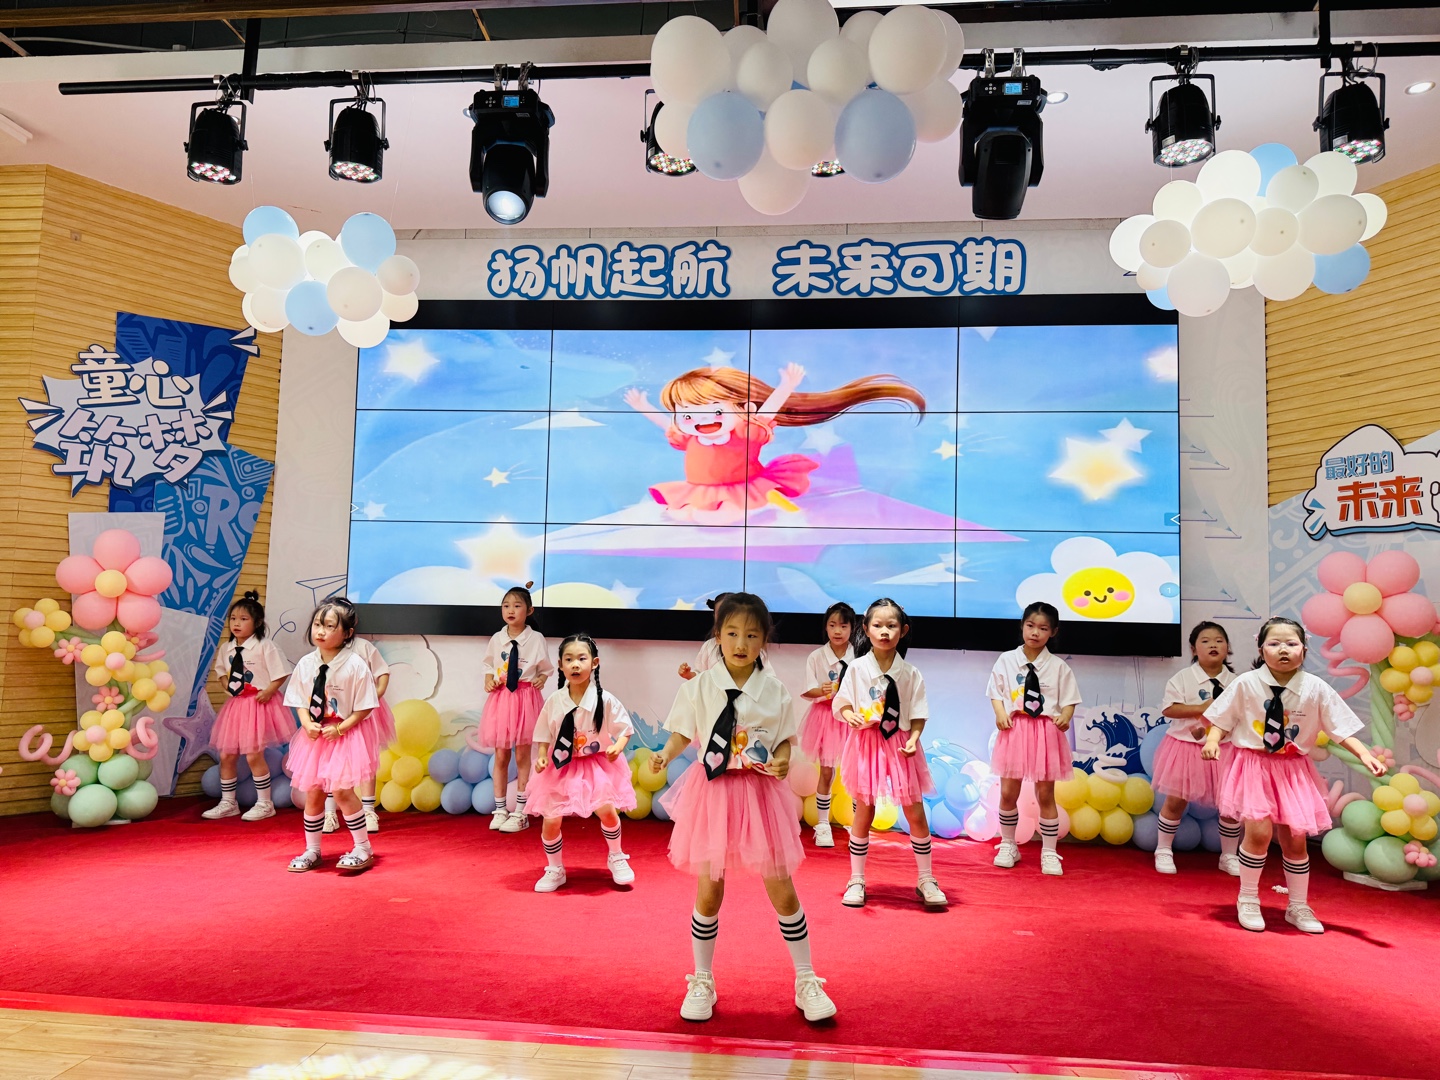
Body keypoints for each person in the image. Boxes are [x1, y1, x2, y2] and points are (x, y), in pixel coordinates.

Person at [649, 592, 836, 1024]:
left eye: (752, 635)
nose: (741, 643)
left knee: (782, 888)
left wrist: (784, 759)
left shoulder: (774, 691)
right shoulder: (699, 686)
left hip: (759, 795)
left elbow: (784, 739)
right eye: (732, 633)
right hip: (713, 793)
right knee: (709, 890)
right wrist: (665, 753)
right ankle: (701, 979)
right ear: (717, 636)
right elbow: (682, 732)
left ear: (764, 640)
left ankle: (806, 979)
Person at [1202, 617, 1386, 933]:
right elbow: (1221, 719)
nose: (1283, 650)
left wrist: (1365, 754)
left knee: (1295, 840)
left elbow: (1341, 729)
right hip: (1254, 766)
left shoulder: (1315, 688)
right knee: (1258, 834)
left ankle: (1298, 905)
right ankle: (1248, 898)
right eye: (1274, 644)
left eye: (1291, 643)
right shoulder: (1246, 683)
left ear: (1304, 649)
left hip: (1293, 770)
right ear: (1261, 648)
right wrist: (1212, 740)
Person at [625, 364, 924, 523]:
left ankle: (780, 509)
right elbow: (667, 424)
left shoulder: (745, 432)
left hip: (742, 486)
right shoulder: (689, 435)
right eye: (688, 414)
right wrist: (643, 406)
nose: (699, 420)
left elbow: (767, 412)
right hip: (702, 489)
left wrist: (786, 386)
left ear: (743, 408)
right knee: (684, 514)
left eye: (715, 411)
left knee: (729, 517)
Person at [833, 598, 945, 908]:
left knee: (914, 811)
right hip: (867, 743)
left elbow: (919, 713)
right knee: (864, 811)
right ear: (866, 629)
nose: (884, 631)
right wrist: (849, 715)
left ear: (903, 630)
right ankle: (856, 879)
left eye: (892, 625)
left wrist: (915, 738)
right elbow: (842, 702)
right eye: (878, 625)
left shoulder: (910, 673)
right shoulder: (856, 669)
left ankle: (926, 878)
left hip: (900, 745)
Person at [526, 633, 636, 891]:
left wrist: (618, 746)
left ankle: (616, 855)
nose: (575, 664)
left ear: (594, 663)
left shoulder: (604, 699)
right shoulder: (554, 701)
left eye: (581, 658)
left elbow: (625, 728)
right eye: (569, 659)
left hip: (596, 766)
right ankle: (555, 868)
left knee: (607, 811)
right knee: (551, 819)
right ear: (560, 665)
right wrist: (541, 756)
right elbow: (543, 733)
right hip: (560, 766)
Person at [283, 600, 381, 874]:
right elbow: (299, 700)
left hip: (344, 735)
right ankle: (312, 850)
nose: (321, 631)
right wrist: (306, 724)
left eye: (329, 626)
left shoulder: (355, 665)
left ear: (347, 633)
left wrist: (340, 728)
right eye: (318, 624)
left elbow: (365, 707)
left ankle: (362, 847)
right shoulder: (306, 663)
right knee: (314, 791)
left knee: (341, 790)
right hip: (316, 738)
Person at [988, 602, 1081, 877]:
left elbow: (1070, 699)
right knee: (1008, 792)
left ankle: (1049, 851)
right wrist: (1000, 713)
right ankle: (1008, 845)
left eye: (1043, 628)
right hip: (1014, 730)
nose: (1035, 633)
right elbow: (995, 692)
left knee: (1045, 794)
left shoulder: (1059, 667)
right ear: (1022, 626)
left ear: (1053, 632)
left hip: (1045, 732)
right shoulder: (1006, 660)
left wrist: (1066, 716)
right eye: (1030, 626)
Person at [1153, 621, 1241, 875]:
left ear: (1227, 648)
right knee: (1176, 801)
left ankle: (1229, 855)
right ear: (1193, 649)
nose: (1213, 645)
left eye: (1219, 640)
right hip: (1185, 748)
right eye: (1205, 641)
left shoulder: (1237, 682)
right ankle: (1163, 850)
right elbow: (1170, 709)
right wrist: (1202, 708)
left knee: (1230, 804)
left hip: (1226, 748)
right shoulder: (1182, 678)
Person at [203, 591, 293, 821]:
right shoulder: (227, 648)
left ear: (257, 622)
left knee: (253, 755)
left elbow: (281, 673)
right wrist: (228, 686)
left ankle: (265, 803)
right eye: (233, 618)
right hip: (237, 706)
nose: (236, 623)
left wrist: (269, 691)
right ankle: (228, 802)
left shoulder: (265, 646)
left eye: (243, 619)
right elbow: (221, 672)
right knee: (226, 755)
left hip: (259, 705)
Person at [474, 584, 553, 833]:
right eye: (506, 605)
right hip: (502, 700)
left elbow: (546, 668)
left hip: (526, 699)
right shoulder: (497, 638)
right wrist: (489, 680)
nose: (510, 610)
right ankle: (500, 810)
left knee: (522, 756)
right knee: (501, 755)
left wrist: (542, 679)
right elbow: (488, 666)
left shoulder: (536, 639)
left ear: (529, 610)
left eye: (517, 606)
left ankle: (520, 811)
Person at [319, 598, 393, 834]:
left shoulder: (363, 647)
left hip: (363, 714)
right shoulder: (323, 650)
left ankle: (368, 810)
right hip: (333, 714)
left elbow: (382, 672)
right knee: (331, 763)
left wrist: (374, 696)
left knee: (365, 761)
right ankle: (330, 813)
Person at [799, 602, 856, 848]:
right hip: (825, 718)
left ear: (853, 628)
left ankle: (858, 824)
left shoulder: (860, 656)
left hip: (852, 718)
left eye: (843, 626)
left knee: (856, 771)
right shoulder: (816, 657)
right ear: (826, 627)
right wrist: (821, 690)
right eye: (832, 625)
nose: (838, 631)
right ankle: (823, 825)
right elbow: (807, 691)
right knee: (826, 770)